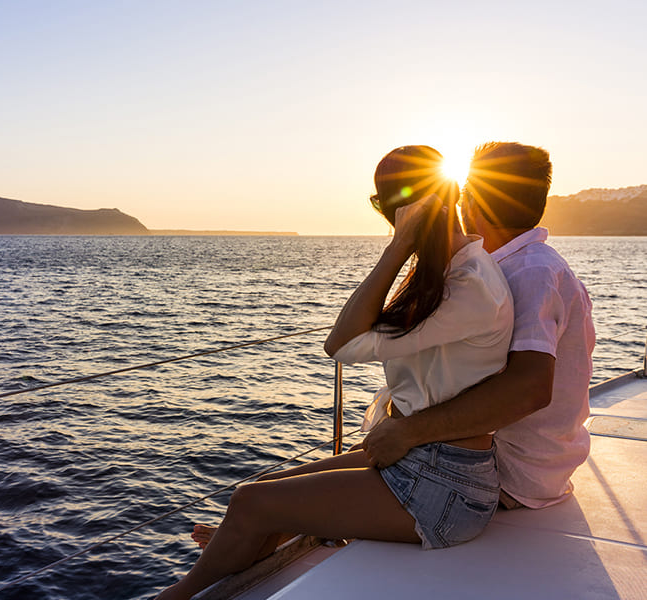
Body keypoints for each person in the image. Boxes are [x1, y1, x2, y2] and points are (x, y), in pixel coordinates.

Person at [155, 145, 514, 600]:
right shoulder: (447, 272)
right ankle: (237, 555)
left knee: (251, 504)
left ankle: (175, 596)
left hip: (445, 489)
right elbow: (352, 340)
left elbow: (340, 345)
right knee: (263, 492)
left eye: (387, 209)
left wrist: (400, 245)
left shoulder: (469, 285)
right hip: (421, 462)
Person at [361, 142, 595, 510]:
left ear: (471, 201)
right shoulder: (516, 266)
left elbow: (530, 388)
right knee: (284, 493)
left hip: (504, 472)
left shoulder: (531, 272)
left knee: (274, 504)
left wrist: (408, 431)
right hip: (495, 459)